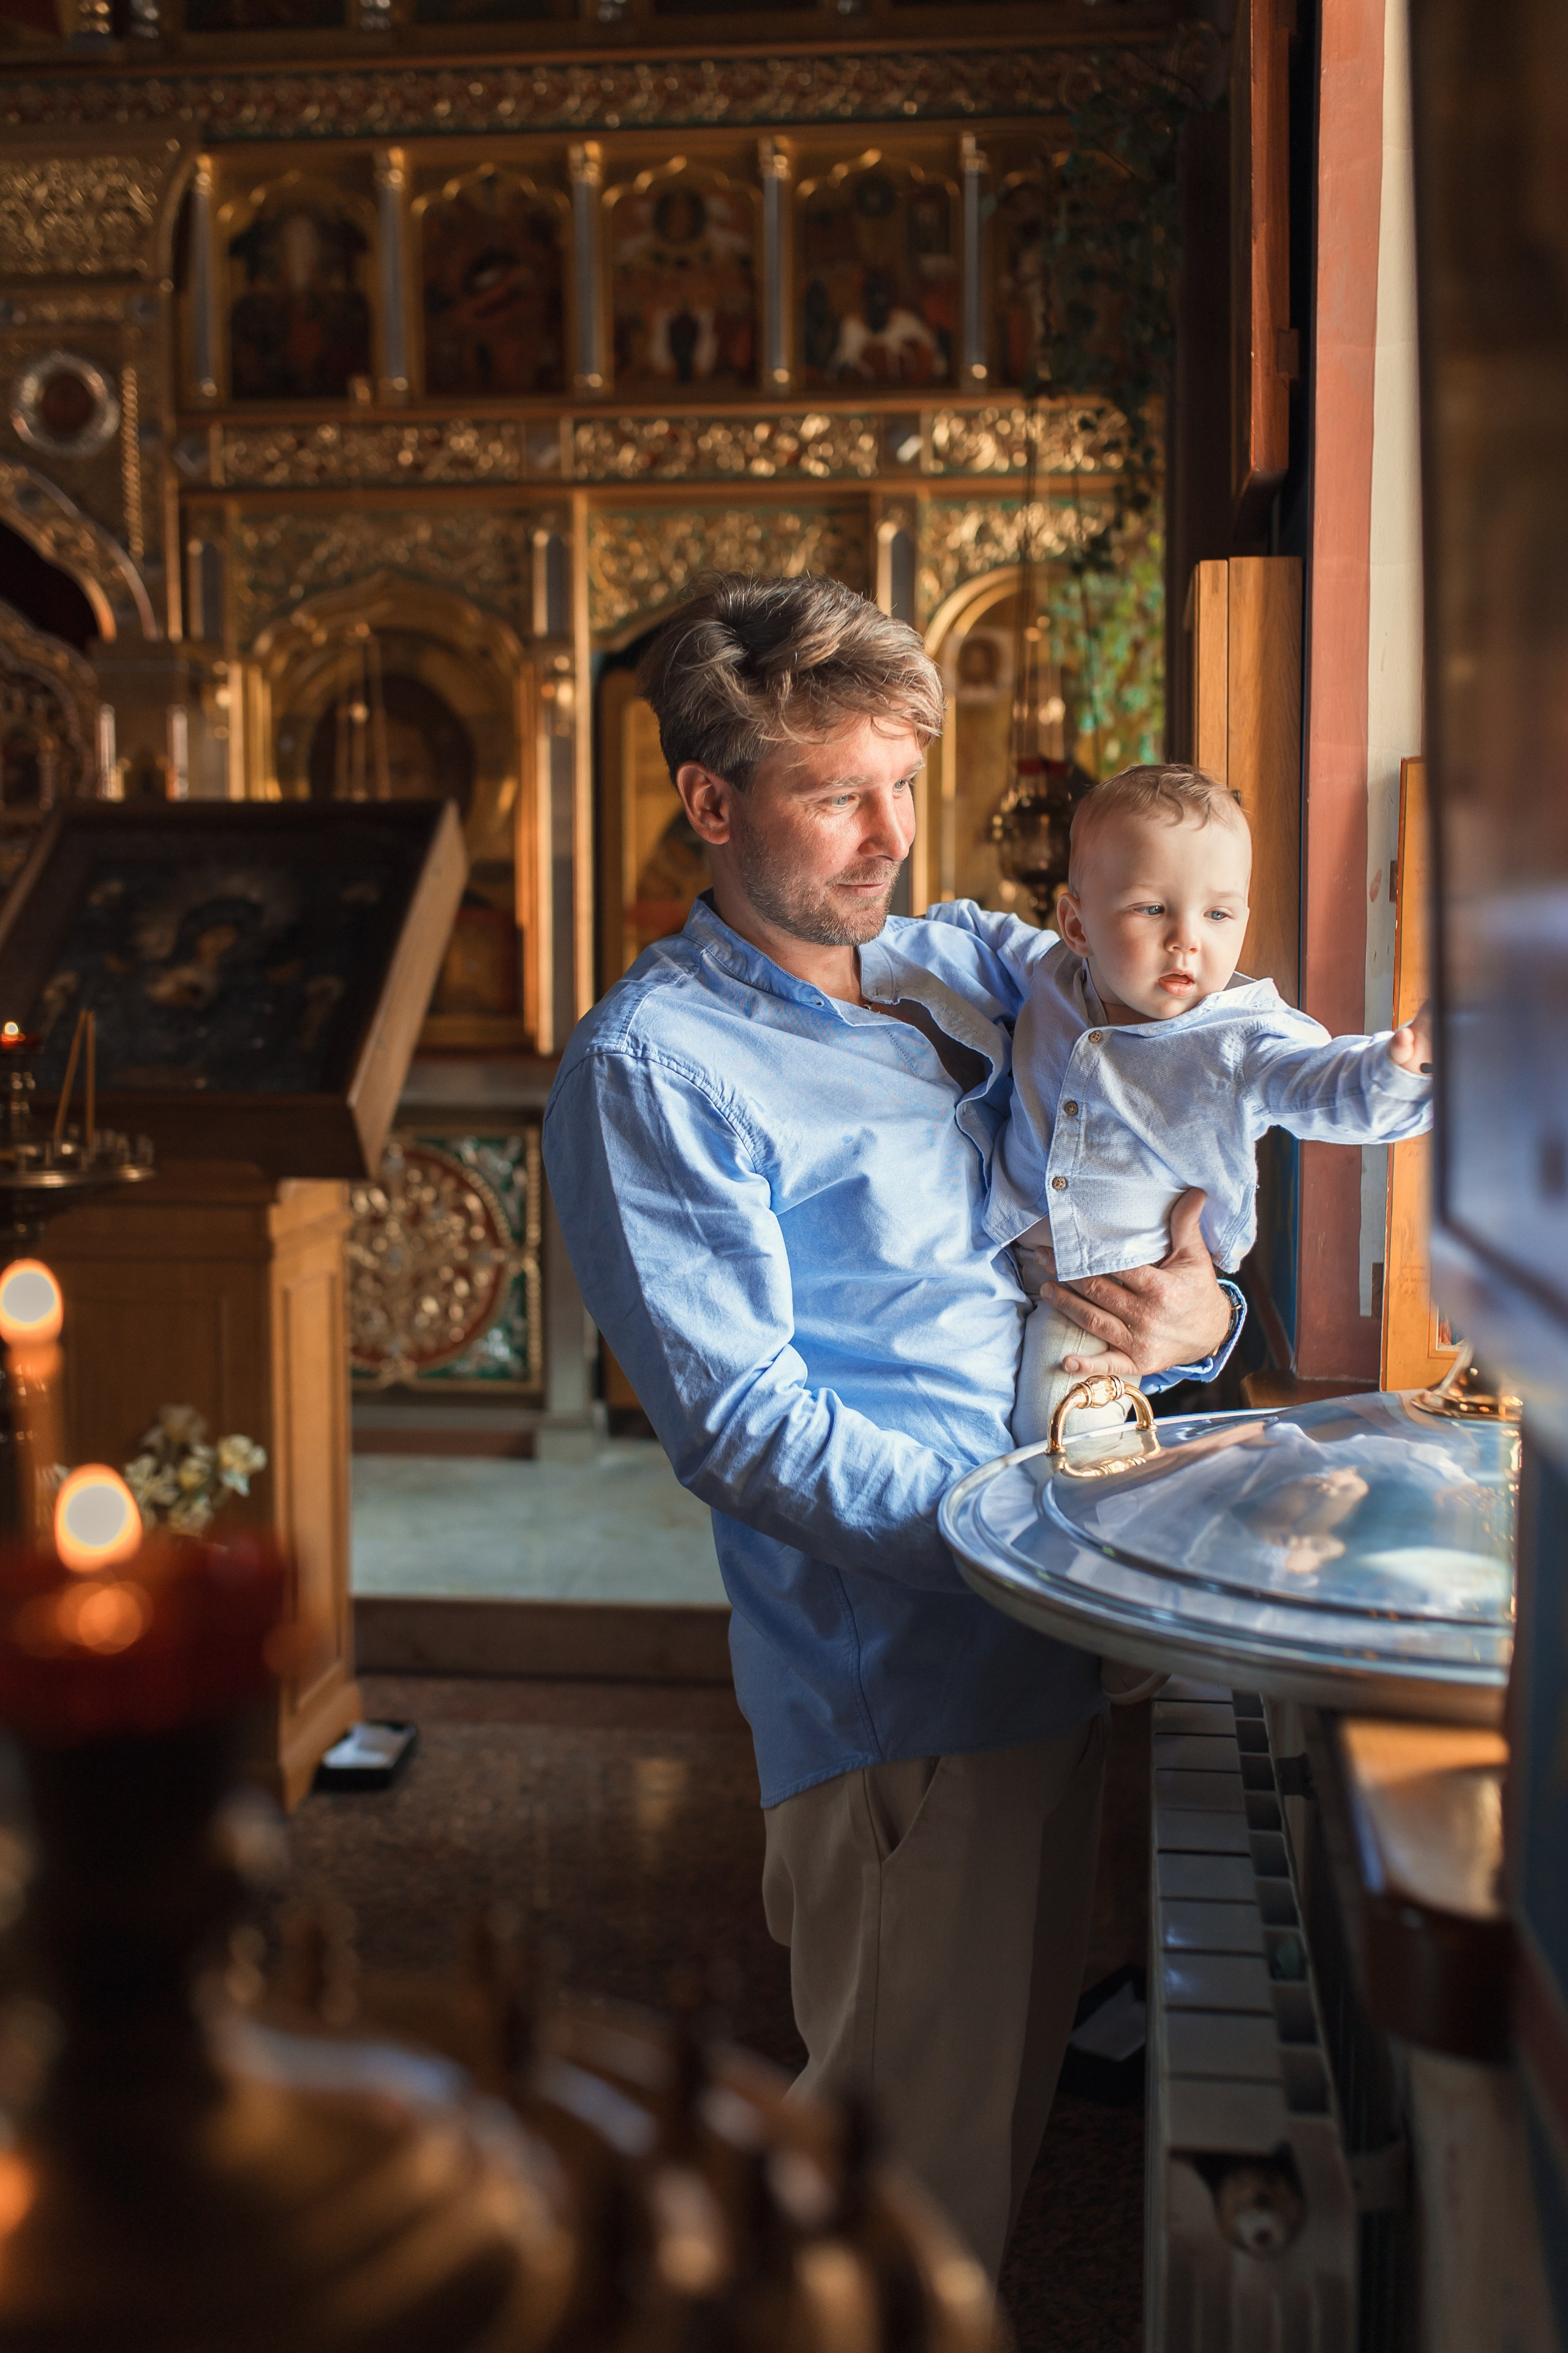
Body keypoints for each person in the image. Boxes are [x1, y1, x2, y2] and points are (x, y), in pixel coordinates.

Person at [541, 575, 1245, 2281]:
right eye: (834, 793)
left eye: (903, 785)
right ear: (711, 802)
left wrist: (1202, 1316)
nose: (888, 835)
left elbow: (1157, 1146)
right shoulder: (655, 1068)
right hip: (907, 1700)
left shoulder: (958, 967)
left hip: (1051, 1637)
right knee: (891, 2213)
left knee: (980, 2160)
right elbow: (746, 1431)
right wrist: (1038, 1547)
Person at [997, 765, 1432, 1448]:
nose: (1187, 939)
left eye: (1217, 914)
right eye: (1151, 909)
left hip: (1103, 1297)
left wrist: (1401, 1067)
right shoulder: (1053, 972)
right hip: (1003, 1258)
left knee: (1059, 1432)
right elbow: (974, 930)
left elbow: (1319, 1083)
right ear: (1076, 925)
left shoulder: (1242, 1038)